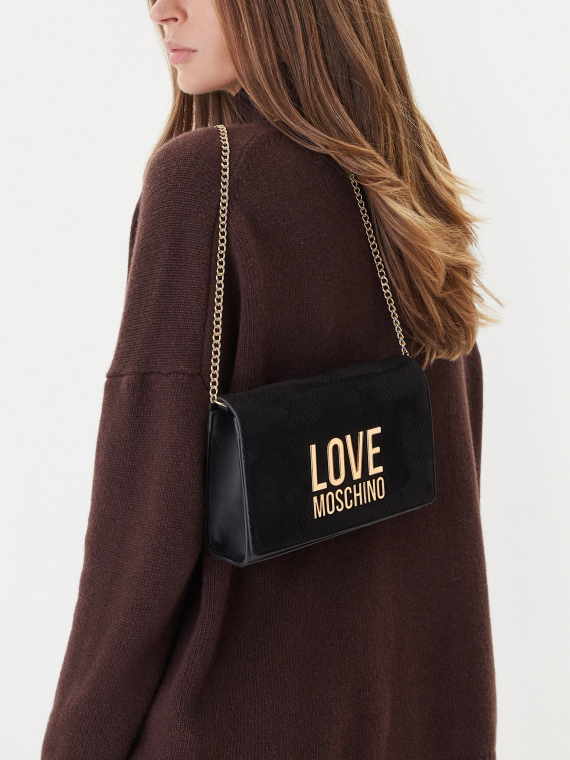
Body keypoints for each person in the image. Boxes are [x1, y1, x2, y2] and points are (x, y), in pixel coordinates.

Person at [41, 0, 498, 758]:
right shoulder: (408, 182)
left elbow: (139, 546)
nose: (159, 10)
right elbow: (455, 484)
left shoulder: (205, 183)